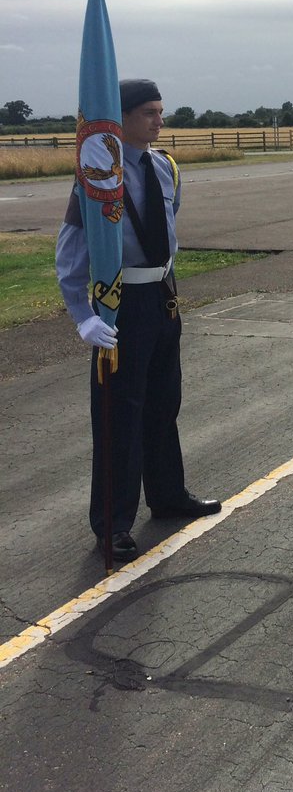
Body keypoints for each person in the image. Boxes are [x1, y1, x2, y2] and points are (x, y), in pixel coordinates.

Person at [56, 79, 221, 563]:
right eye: (149, 112)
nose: (159, 120)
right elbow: (71, 253)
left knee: (163, 404)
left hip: (162, 297)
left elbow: (168, 223)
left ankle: (167, 495)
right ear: (122, 117)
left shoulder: (166, 167)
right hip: (120, 303)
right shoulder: (96, 174)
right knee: (119, 416)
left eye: (160, 111)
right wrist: (83, 316)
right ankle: (113, 524)